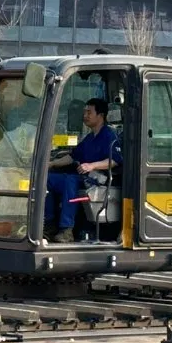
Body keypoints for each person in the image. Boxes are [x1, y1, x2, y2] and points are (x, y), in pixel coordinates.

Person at [45, 97, 121, 243]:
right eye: (84, 112)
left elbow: (115, 160)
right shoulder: (90, 137)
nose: (85, 115)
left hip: (97, 179)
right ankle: (49, 224)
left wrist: (92, 165)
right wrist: (51, 164)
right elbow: (73, 157)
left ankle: (67, 230)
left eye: (89, 112)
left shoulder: (109, 136)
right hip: (83, 178)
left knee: (70, 180)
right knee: (46, 179)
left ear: (100, 116)